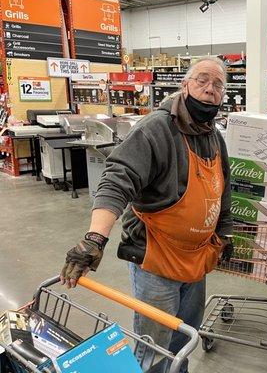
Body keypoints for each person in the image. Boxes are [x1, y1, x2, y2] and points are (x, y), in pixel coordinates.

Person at [59, 56, 234, 373]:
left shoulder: (213, 135)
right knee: (154, 348)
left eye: (218, 85)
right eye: (202, 80)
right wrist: (95, 238)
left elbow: (223, 188)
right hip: (157, 261)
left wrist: (225, 231)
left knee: (183, 340)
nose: (210, 89)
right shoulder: (156, 129)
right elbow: (117, 179)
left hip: (196, 261)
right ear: (184, 86)